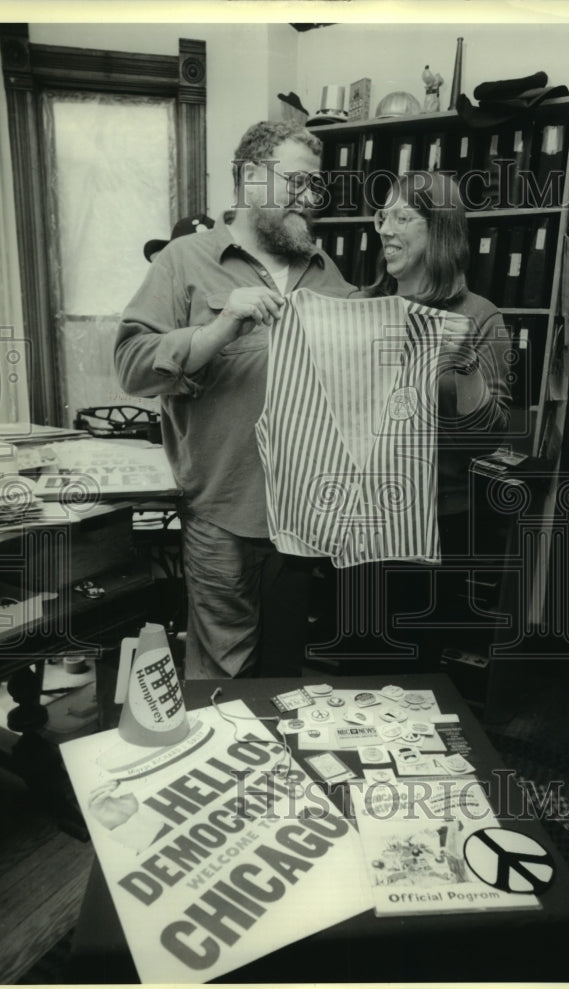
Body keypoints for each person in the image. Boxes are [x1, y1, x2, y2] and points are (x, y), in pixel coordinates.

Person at [115, 121, 354, 680]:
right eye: (295, 182)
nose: (308, 200)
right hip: (223, 512)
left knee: (285, 671)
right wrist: (223, 326)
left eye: (314, 188)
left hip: (303, 516)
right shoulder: (182, 260)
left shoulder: (325, 270)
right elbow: (131, 367)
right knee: (223, 676)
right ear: (250, 179)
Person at [324, 170, 512, 663]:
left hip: (435, 526)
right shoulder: (356, 307)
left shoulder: (480, 315)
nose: (385, 228)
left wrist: (465, 364)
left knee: (416, 678)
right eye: (382, 216)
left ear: (441, 230)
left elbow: (488, 436)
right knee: (356, 670)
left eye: (403, 217)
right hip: (358, 520)